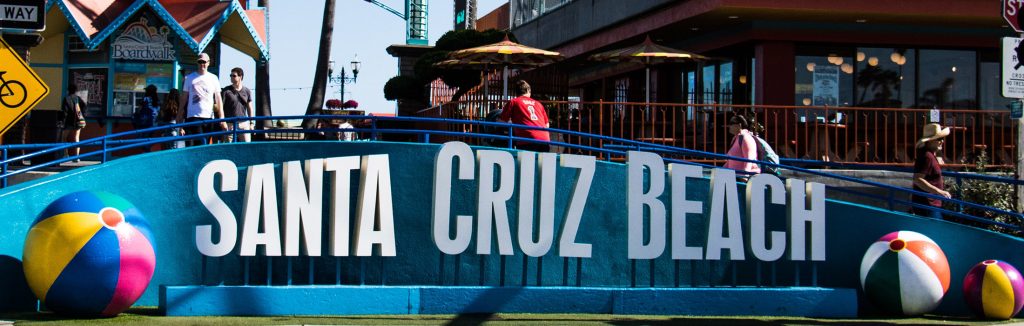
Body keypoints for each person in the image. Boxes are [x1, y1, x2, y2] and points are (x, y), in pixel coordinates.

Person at [179, 52, 224, 146]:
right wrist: (179, 115)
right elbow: (184, 98)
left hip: (209, 116)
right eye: (200, 62)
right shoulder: (190, 78)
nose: (202, 64)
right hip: (193, 116)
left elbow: (218, 99)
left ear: (208, 63)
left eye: (204, 62)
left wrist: (222, 118)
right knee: (199, 142)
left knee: (206, 144)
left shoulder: (213, 78)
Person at [911, 123, 952, 219]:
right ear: (929, 141)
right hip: (928, 205)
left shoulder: (929, 155)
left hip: (929, 204)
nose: (942, 141)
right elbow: (918, 179)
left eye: (942, 139)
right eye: (939, 139)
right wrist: (939, 192)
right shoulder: (927, 156)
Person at [499, 80, 550, 152]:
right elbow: (547, 125)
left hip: (526, 140)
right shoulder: (538, 104)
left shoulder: (513, 102)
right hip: (545, 140)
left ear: (516, 92)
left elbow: (502, 122)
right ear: (528, 90)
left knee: (526, 162)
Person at [221, 67, 255, 142]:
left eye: (234, 76)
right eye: (230, 75)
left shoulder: (247, 91)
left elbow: (250, 108)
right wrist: (223, 121)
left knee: (246, 145)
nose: (231, 77)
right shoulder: (226, 90)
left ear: (240, 77)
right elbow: (221, 107)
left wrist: (252, 122)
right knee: (228, 146)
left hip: (244, 123)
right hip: (230, 123)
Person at [59, 83, 86, 161]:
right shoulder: (78, 98)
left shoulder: (66, 99)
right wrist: (82, 116)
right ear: (75, 90)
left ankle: (66, 154)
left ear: (68, 90)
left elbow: (65, 112)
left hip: (69, 121)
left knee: (64, 137)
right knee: (76, 138)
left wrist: (62, 121)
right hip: (78, 121)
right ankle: (76, 157)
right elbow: (84, 107)